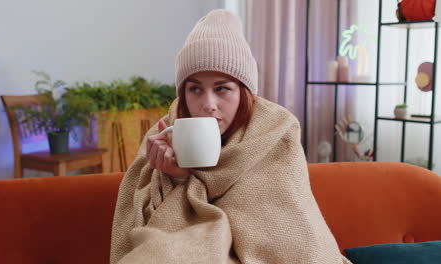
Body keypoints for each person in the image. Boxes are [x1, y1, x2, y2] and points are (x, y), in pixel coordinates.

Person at [110, 9, 352, 264]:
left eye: (222, 88)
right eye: (195, 89)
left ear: (244, 92)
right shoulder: (163, 135)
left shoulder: (276, 131)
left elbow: (292, 236)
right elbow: (153, 232)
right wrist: (175, 177)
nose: (208, 104)